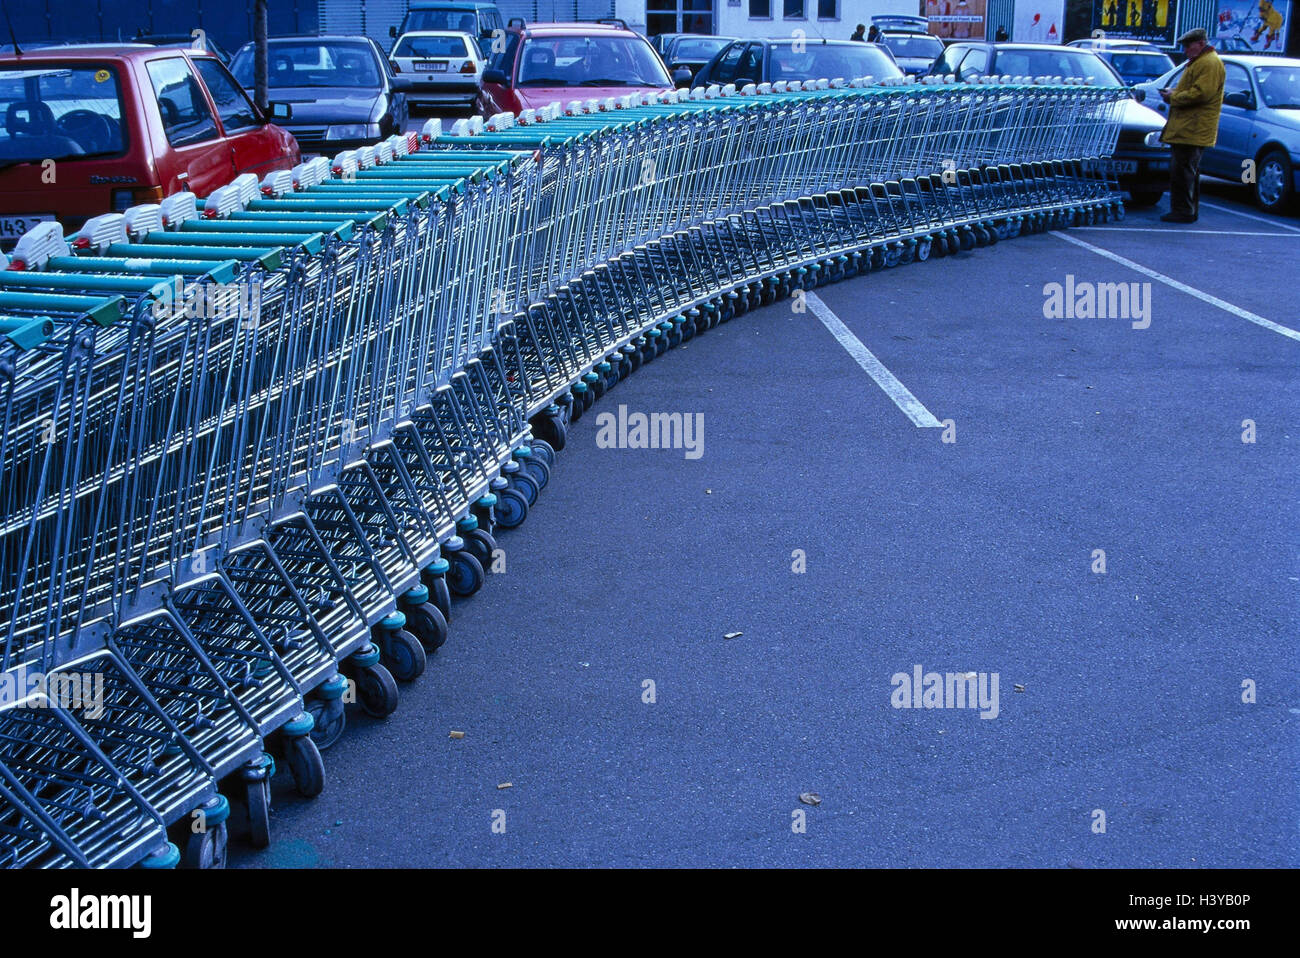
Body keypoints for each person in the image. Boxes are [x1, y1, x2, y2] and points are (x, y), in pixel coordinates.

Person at [1158, 28, 1225, 223]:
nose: (1186, 50)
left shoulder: (1209, 63)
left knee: (1183, 171)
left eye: (1188, 45)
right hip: (1189, 127)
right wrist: (1175, 92)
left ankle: (1183, 211)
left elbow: (1201, 94)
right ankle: (1186, 210)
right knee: (1186, 170)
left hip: (1193, 128)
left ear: (1201, 44)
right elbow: (1195, 90)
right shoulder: (1202, 62)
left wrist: (1174, 96)